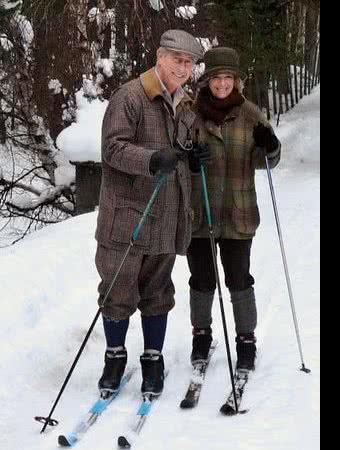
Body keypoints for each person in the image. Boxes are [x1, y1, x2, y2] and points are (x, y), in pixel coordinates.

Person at [95, 29, 206, 397]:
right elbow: (112, 149)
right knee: (118, 291)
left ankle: (152, 359)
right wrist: (150, 160)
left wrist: (193, 159)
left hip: (167, 214)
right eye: (178, 59)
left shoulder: (186, 104)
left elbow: (182, 150)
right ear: (160, 57)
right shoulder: (130, 97)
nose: (184, 67)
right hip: (127, 217)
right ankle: (114, 357)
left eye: (189, 62)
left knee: (158, 291)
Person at [186, 47, 281, 373]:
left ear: (236, 81)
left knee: (239, 278)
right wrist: (188, 161)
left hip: (238, 212)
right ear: (207, 81)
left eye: (228, 78)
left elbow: (266, 160)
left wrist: (271, 146)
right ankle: (201, 335)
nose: (222, 84)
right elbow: (177, 156)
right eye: (216, 78)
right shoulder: (190, 114)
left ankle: (246, 340)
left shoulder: (251, 114)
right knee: (201, 279)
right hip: (200, 213)